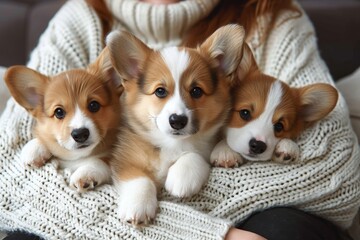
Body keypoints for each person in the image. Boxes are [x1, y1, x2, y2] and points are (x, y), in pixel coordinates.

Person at [0, 0, 359, 239]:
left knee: (287, 228)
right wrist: (204, 232)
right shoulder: (81, 17)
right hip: (120, 209)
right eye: (160, 92)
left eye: (196, 92)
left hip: (256, 218)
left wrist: (196, 175)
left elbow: (337, 169)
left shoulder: (271, 14)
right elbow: (10, 176)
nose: (178, 111)